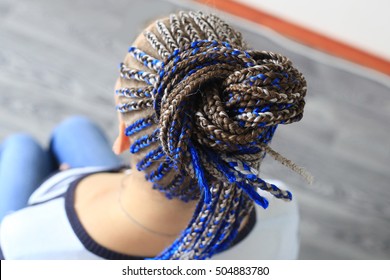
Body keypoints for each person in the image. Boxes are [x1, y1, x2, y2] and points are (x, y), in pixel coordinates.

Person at [0, 11, 309, 260]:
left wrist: (69, 183)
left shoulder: (24, 241)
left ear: (124, 133)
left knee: (22, 145)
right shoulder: (277, 208)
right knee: (75, 130)